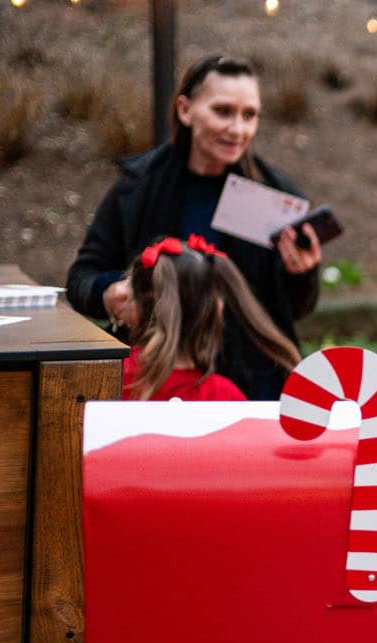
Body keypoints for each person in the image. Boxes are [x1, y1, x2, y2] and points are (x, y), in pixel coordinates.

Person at [107, 235, 301, 643]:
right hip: (183, 587)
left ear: (136, 307)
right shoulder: (220, 401)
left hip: (124, 573)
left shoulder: (118, 382)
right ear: (215, 314)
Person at [66, 54, 322, 400]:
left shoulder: (275, 196)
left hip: (252, 387)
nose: (238, 129)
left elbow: (292, 310)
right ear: (185, 110)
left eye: (250, 115)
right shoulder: (137, 187)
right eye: (223, 111)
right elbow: (81, 278)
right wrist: (109, 293)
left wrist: (301, 274)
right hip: (156, 386)